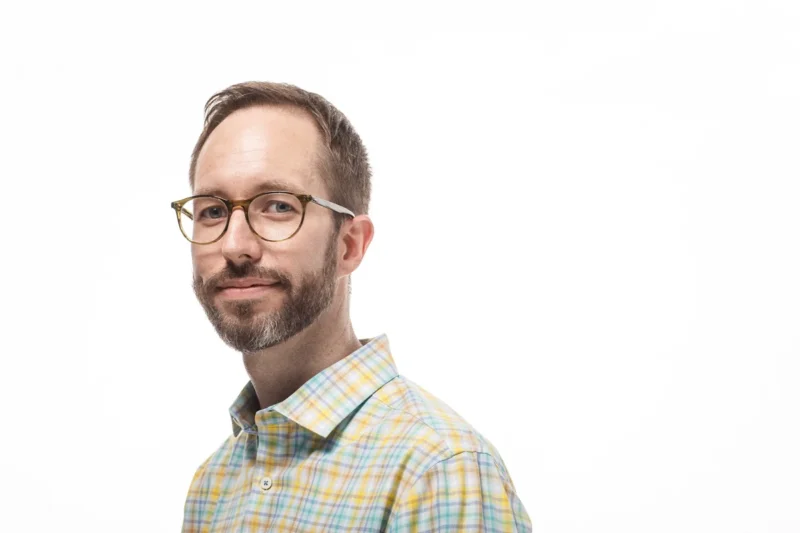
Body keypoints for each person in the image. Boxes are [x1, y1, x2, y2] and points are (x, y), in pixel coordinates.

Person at [173, 81, 532, 532]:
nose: (234, 245)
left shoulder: (439, 470)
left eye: (278, 206)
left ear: (350, 245)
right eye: (212, 211)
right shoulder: (213, 484)